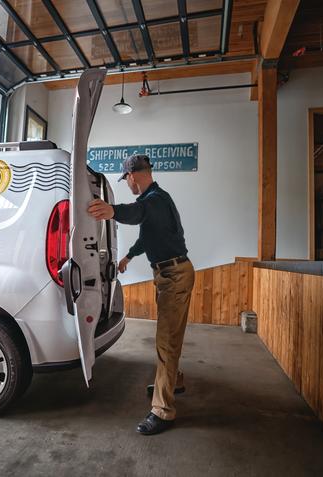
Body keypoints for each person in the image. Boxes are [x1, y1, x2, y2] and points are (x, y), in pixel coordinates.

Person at [87, 154, 195, 436]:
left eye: (127, 180)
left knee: (166, 341)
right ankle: (174, 381)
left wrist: (112, 210)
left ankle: (163, 410)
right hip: (172, 273)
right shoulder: (158, 199)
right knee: (170, 335)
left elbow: (137, 213)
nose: (128, 185)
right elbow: (147, 236)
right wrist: (128, 257)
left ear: (133, 176)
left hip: (174, 275)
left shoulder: (154, 200)